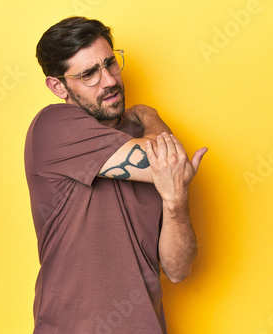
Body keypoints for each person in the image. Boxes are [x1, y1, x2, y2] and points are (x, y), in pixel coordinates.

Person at [25, 16, 207, 334]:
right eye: (89, 74)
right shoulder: (54, 127)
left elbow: (178, 270)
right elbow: (171, 163)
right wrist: (149, 113)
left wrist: (176, 199)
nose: (109, 80)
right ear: (58, 86)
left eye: (110, 64)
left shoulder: (141, 136)